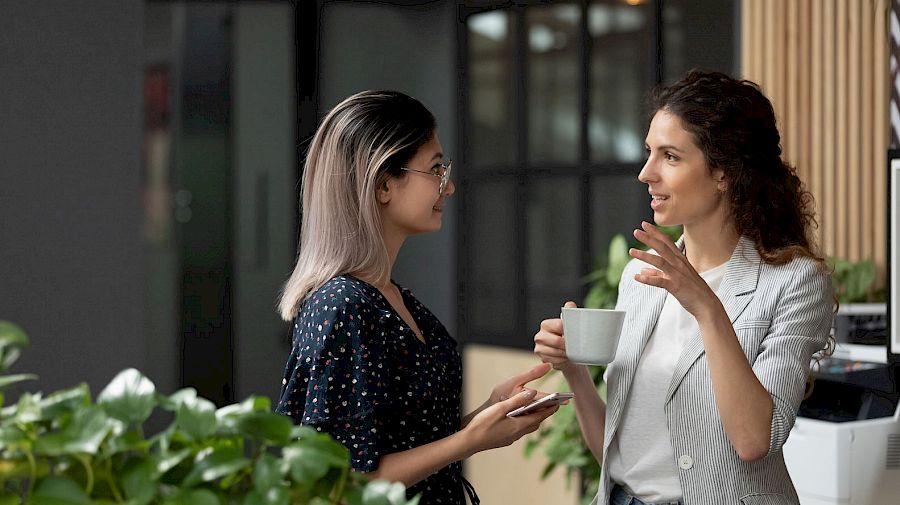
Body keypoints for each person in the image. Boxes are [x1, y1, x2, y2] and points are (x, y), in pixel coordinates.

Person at [533, 70, 834, 505]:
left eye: (670, 156)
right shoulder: (641, 280)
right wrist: (575, 372)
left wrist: (707, 308)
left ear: (724, 173)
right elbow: (617, 462)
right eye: (649, 153)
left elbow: (754, 440)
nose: (645, 173)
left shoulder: (794, 282)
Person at [275, 90, 559, 505]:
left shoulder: (390, 297)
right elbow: (341, 482)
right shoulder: (343, 305)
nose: (450, 186)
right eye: (436, 169)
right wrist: (468, 441)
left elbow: (403, 443)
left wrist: (486, 415)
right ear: (384, 183)